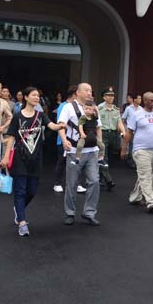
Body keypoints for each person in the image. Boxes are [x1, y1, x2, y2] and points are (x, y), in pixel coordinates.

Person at [0, 87, 66, 236]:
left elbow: (52, 126)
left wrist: (60, 126)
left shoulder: (41, 115)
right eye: (34, 95)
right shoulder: (17, 117)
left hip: (36, 159)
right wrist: (5, 157)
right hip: (19, 158)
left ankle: (19, 209)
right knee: (20, 190)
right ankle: (22, 222)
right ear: (26, 98)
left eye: (38, 96)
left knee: (32, 191)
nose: (37, 98)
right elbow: (11, 137)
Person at [58, 83, 102, 226]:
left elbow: (98, 127)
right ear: (77, 92)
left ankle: (89, 212)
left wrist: (101, 146)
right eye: (86, 90)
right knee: (72, 183)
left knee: (94, 181)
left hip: (92, 151)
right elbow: (61, 125)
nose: (89, 93)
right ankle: (69, 213)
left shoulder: (94, 108)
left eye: (91, 90)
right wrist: (64, 140)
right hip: (74, 151)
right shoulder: (68, 107)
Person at [123, 92, 153, 213]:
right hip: (140, 150)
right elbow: (129, 132)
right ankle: (151, 201)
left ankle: (135, 197)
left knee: (145, 175)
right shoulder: (137, 114)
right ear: (145, 101)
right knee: (145, 175)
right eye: (151, 100)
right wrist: (124, 148)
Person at [97, 86, 124, 192]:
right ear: (104, 97)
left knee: (107, 157)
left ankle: (98, 178)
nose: (111, 97)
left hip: (112, 134)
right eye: (109, 95)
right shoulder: (99, 108)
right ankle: (109, 180)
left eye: (112, 95)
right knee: (104, 156)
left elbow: (119, 122)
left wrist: (123, 132)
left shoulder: (116, 109)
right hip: (102, 134)